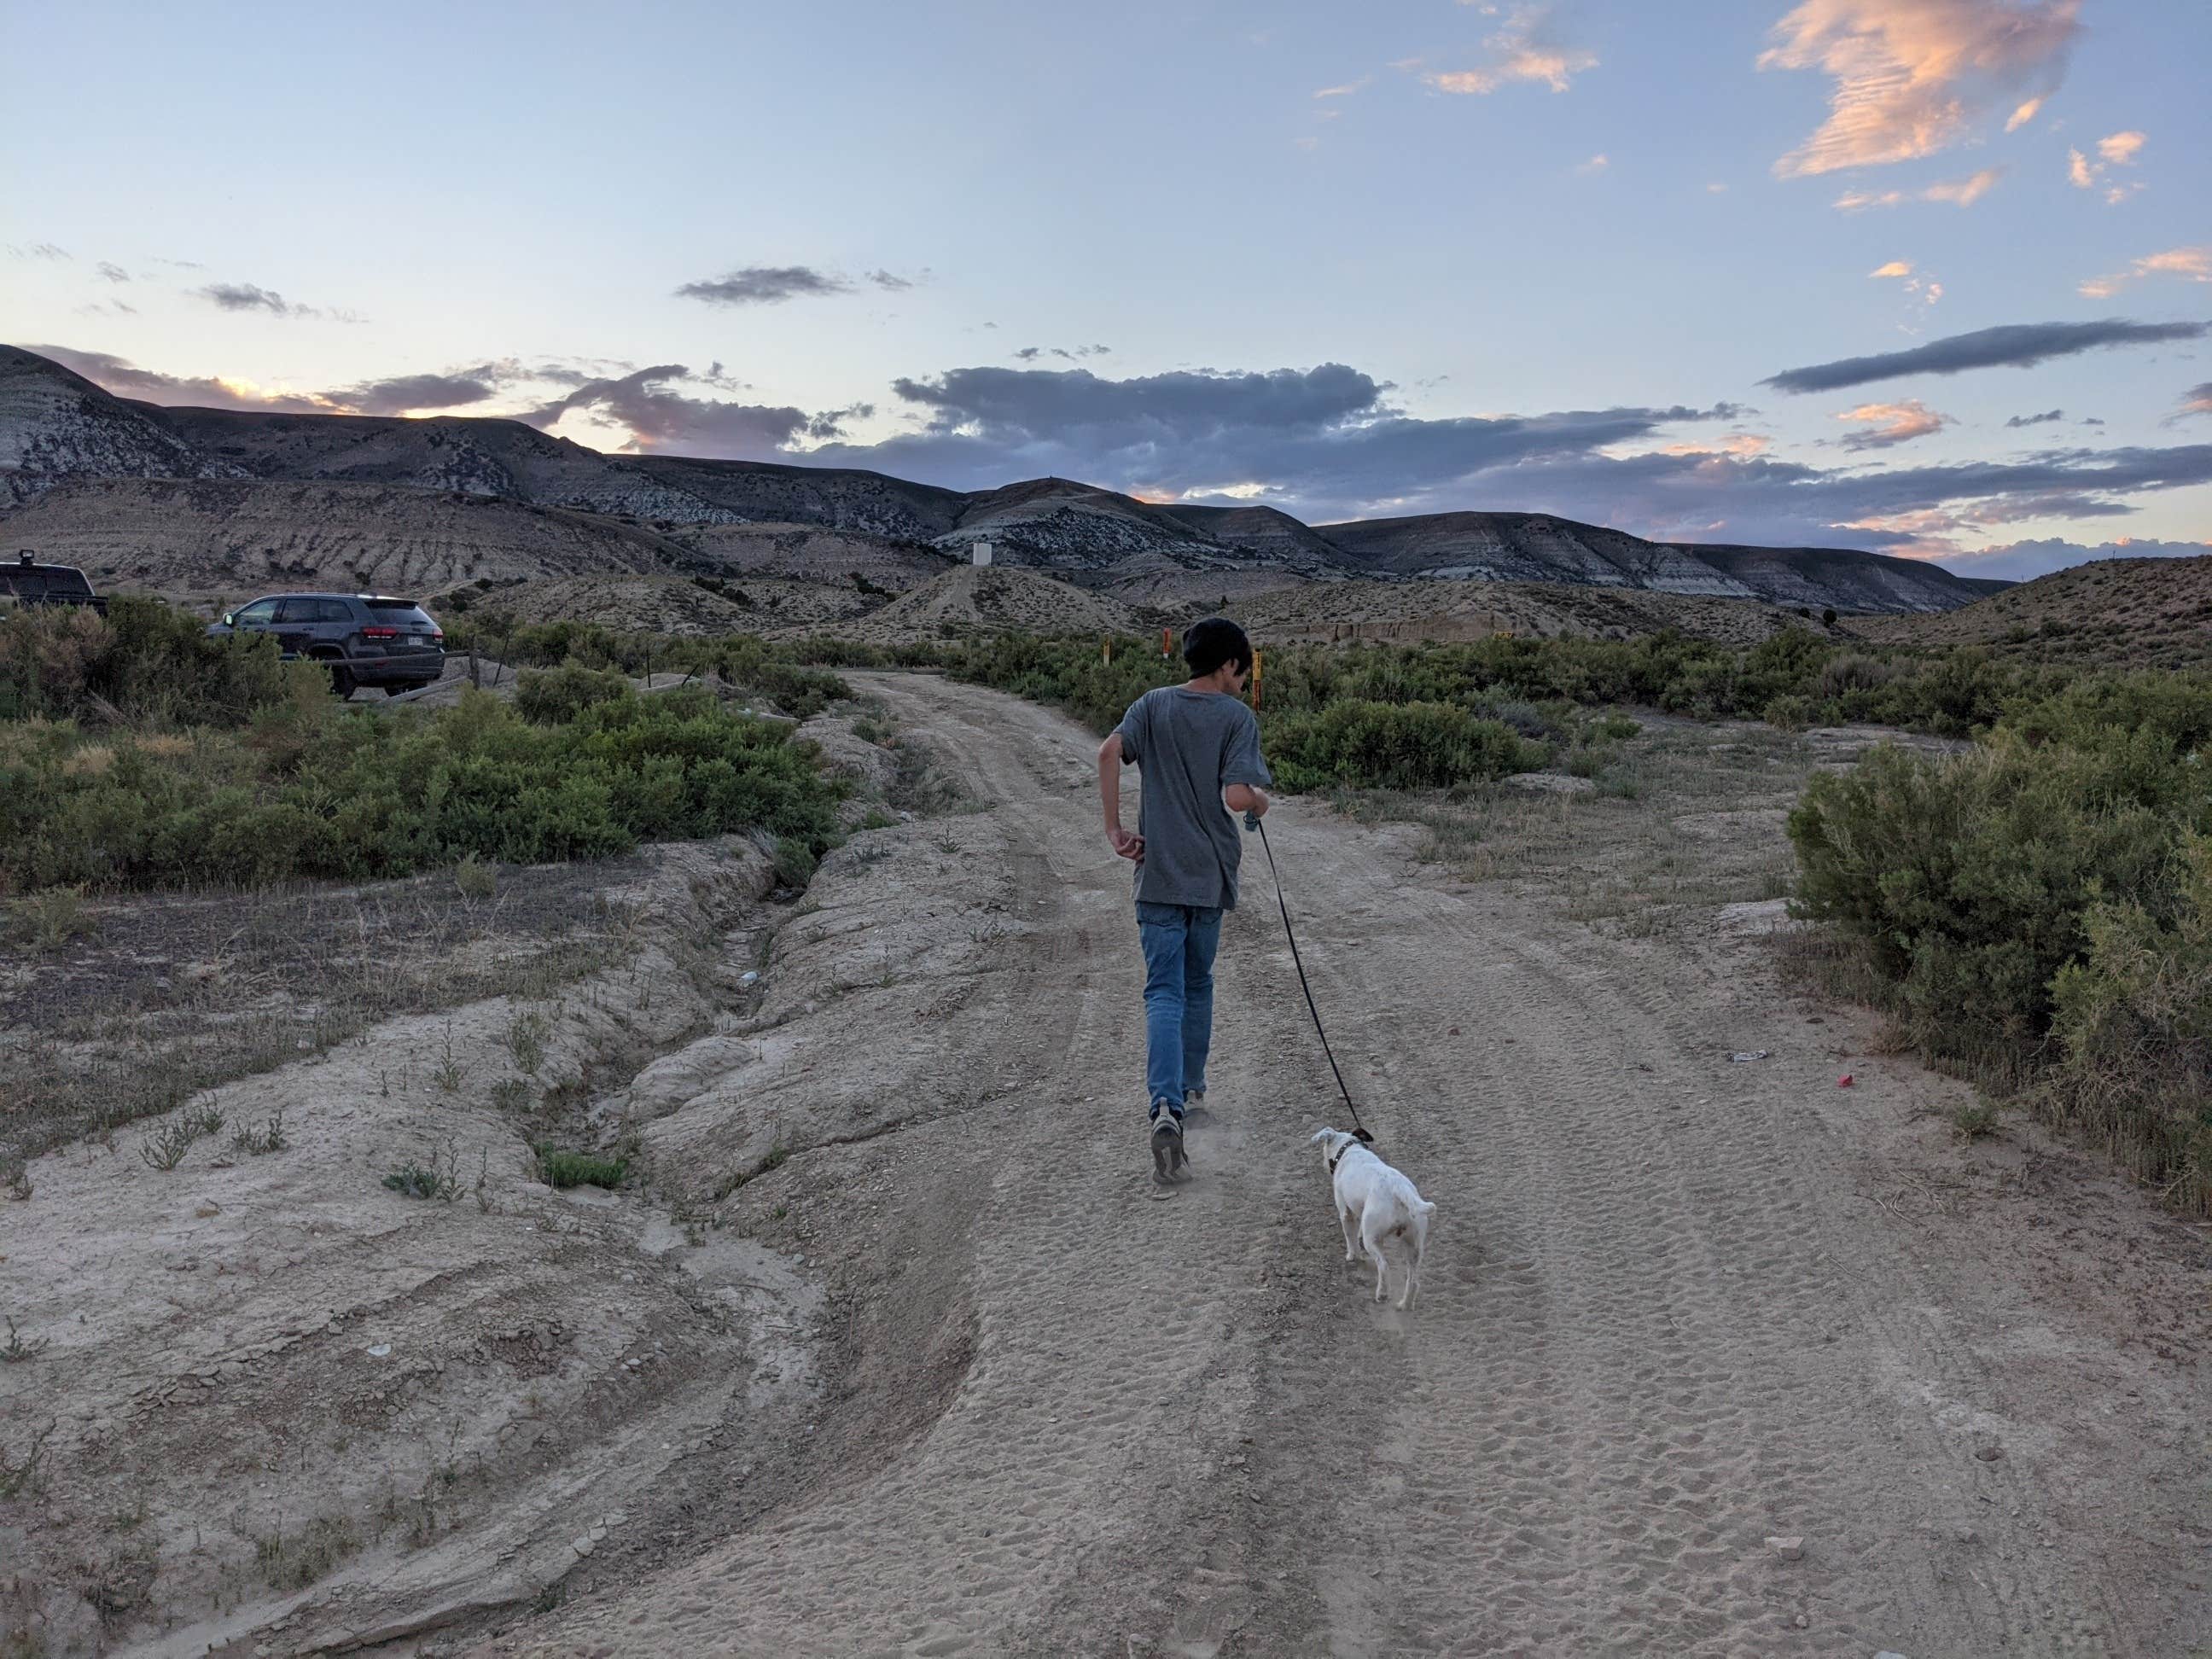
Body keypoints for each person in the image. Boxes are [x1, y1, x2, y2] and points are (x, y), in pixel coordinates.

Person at [1097, 618, 1273, 1182]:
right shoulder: (1236, 718)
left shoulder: (1150, 706)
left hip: (1158, 875)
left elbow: (1108, 751)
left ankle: (1164, 1106)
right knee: (1197, 983)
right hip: (1208, 876)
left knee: (1162, 990)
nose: (1243, 680)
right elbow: (1235, 795)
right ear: (1227, 666)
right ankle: (1193, 1093)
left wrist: (1115, 831)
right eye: (1242, 670)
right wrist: (1261, 802)